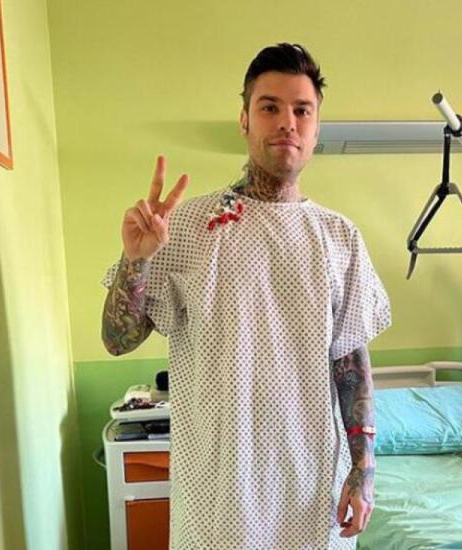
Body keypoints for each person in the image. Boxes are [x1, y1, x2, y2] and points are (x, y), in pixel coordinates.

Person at [101, 42, 391, 550]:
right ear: (244, 119)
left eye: (302, 110)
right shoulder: (187, 227)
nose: (287, 123)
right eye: (269, 107)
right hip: (216, 490)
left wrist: (363, 472)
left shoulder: (339, 238)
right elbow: (117, 340)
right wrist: (136, 260)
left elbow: (351, 363)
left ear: (316, 128)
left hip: (310, 488)